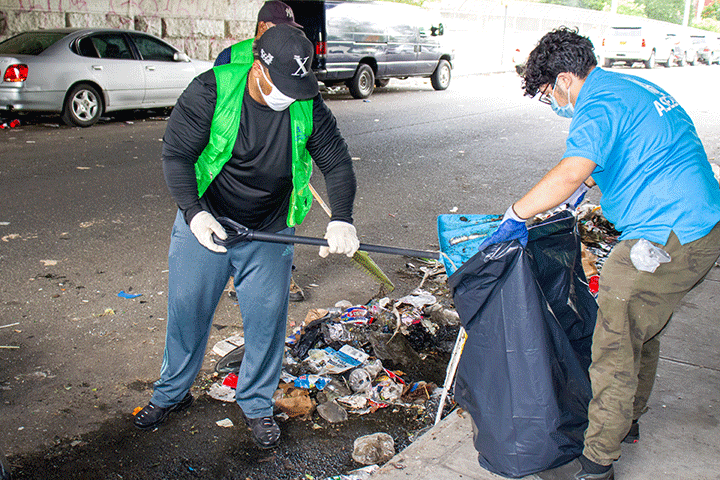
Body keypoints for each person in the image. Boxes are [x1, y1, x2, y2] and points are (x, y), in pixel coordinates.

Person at [480, 27, 720, 480]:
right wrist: (586, 187)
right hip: (701, 222)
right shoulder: (630, 87)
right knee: (639, 329)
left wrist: (516, 213)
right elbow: (628, 152)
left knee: (611, 343)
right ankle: (626, 420)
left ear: (567, 79)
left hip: (666, 233)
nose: (552, 101)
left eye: (549, 91)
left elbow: (573, 170)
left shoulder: (596, 103)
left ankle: (597, 461)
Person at [133, 24, 359, 450]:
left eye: (298, 87)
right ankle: (170, 393)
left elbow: (338, 163)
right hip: (208, 223)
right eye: (283, 86)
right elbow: (176, 155)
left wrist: (342, 219)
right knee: (187, 311)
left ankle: (255, 404)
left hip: (268, 230)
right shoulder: (211, 91)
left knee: (266, 320)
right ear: (258, 68)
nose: (289, 97)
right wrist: (194, 214)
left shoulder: (306, 103)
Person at [217, 0, 308, 302]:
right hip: (240, 155)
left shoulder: (292, 53)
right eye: (281, 29)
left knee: (280, 217)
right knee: (234, 217)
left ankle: (283, 275)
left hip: (281, 153)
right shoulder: (232, 57)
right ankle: (234, 276)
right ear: (262, 28)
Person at [214, 0, 300, 67]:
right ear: (262, 26)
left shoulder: (289, 57)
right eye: (281, 28)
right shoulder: (229, 56)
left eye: (289, 29)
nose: (286, 34)